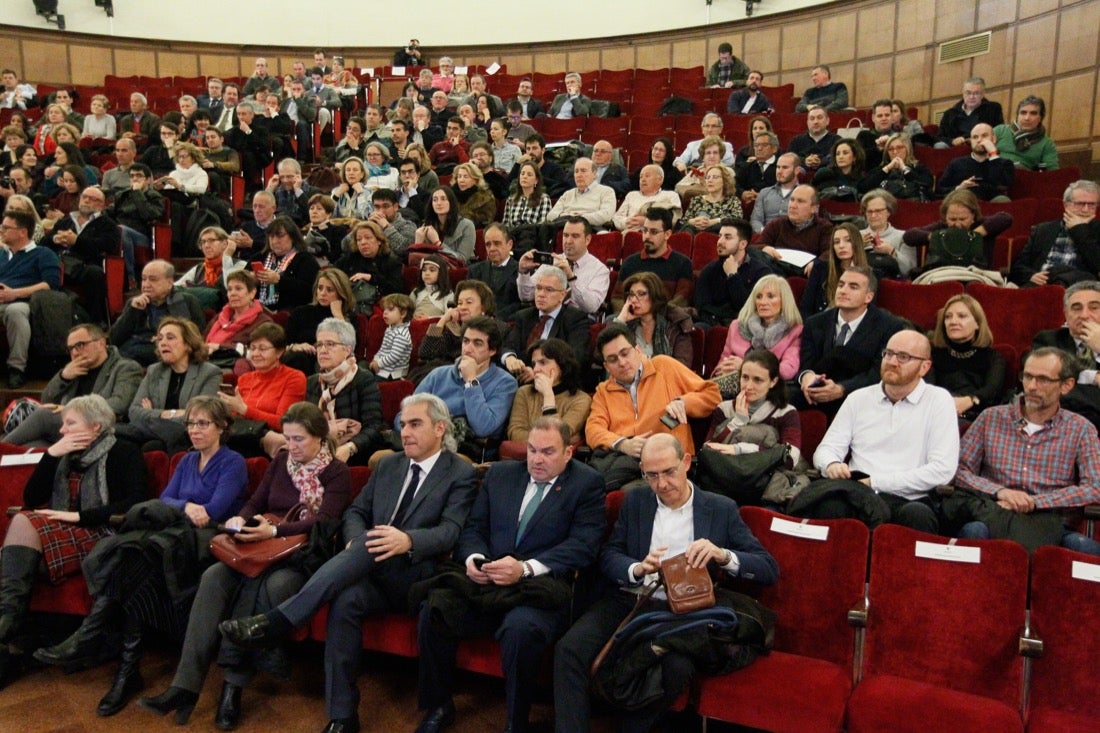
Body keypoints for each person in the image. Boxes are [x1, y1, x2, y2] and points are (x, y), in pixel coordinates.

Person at [220, 394, 478, 733]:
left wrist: (409, 540)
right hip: (371, 569)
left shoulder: (459, 472)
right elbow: (355, 513)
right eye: (403, 424)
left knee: (372, 545)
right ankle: (342, 716)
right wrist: (356, 540)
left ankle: (278, 621)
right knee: (346, 600)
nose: (405, 431)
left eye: (416, 424)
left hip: (419, 575)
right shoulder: (388, 464)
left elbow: (450, 531)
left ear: (440, 429)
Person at [139, 402, 349, 730]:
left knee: (268, 585)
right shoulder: (280, 461)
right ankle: (184, 685)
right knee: (213, 576)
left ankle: (231, 687)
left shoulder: (336, 471)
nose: (291, 447)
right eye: (288, 438)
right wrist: (241, 518)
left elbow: (326, 522)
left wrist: (276, 530)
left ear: (321, 438)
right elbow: (257, 501)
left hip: (302, 556)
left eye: (299, 440)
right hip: (262, 547)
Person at [32, 395, 246, 715]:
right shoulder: (187, 460)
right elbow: (165, 499)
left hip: (206, 540)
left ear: (223, 427)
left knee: (132, 556)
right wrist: (186, 505)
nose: (195, 430)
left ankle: (95, 642)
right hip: (172, 536)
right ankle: (123, 671)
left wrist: (180, 505)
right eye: (191, 423)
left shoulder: (233, 462)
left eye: (203, 424)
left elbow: (213, 510)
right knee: (135, 563)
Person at [553, 432, 777, 733]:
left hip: (683, 611)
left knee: (677, 667)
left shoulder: (719, 508)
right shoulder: (636, 501)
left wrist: (722, 555)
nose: (661, 484)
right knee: (570, 649)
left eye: (668, 472)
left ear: (686, 462)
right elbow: (610, 554)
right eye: (652, 476)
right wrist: (636, 568)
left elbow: (767, 568)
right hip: (630, 598)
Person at [415, 416, 605, 733]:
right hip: (488, 582)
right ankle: (438, 705)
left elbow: (584, 546)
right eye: (531, 450)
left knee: (520, 629)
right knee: (434, 610)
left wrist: (525, 568)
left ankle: (515, 722)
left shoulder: (586, 483)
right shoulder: (501, 475)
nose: (537, 459)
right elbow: (474, 529)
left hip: (540, 588)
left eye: (547, 452)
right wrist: (474, 560)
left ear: (569, 453)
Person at [0, 394, 146, 681]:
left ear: (95, 427)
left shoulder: (124, 451)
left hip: (102, 531)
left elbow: (135, 502)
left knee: (20, 528)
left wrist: (79, 518)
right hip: (61, 530)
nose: (62, 430)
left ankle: (7, 631)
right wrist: (51, 455)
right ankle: (9, 633)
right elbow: (32, 499)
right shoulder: (63, 454)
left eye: (70, 423)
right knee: (21, 530)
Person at [801, 329, 959, 532]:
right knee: (829, 507)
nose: (893, 362)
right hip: (857, 493)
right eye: (889, 353)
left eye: (904, 357)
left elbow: (942, 470)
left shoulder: (939, 400)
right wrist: (831, 464)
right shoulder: (859, 398)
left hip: (909, 498)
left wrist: (876, 481)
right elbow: (826, 449)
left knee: (918, 516)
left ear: (924, 367)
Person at [951, 347, 1100, 555]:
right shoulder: (991, 417)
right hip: (995, 513)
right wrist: (1000, 492)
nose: (1031, 386)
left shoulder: (1081, 428)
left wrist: (1034, 502)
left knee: (1085, 550)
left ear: (1066, 386)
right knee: (973, 531)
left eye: (1043, 380)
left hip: (1049, 523)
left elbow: (1094, 487)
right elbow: (959, 470)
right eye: (1028, 376)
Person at [586, 323, 721, 489]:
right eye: (613, 359)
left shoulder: (664, 366)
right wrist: (623, 444)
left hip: (667, 463)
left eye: (625, 353)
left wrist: (685, 403)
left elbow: (712, 395)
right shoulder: (603, 391)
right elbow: (593, 430)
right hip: (627, 464)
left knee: (630, 494)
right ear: (606, 366)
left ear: (638, 351)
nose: (621, 362)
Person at [263, 318, 384, 465]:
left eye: (330, 344)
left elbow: (374, 426)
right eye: (319, 345)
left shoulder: (363, 379)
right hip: (316, 450)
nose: (323, 350)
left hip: (352, 453)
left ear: (347, 349)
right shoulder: (313, 382)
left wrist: (350, 447)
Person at [3, 323, 142, 447]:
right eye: (71, 349)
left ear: (101, 343)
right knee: (32, 445)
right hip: (68, 431)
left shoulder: (126, 368)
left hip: (101, 429)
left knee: (43, 416)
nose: (75, 353)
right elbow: (46, 400)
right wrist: (63, 377)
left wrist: (72, 410)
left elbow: (119, 404)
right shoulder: (73, 370)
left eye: (80, 345)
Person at [795, 267, 903, 415]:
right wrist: (807, 377)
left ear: (868, 297)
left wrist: (841, 389)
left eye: (853, 287)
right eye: (841, 285)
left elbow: (878, 374)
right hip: (817, 396)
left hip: (862, 399)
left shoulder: (889, 326)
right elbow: (805, 365)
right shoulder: (815, 323)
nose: (843, 291)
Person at [408, 316, 518, 458]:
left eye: (477, 343)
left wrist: (471, 381)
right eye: (466, 341)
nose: (468, 349)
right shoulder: (438, 374)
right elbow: (404, 415)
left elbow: (483, 427)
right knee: (380, 458)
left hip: (466, 450)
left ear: (492, 350)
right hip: (425, 442)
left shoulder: (505, 383)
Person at [114, 316, 222, 454]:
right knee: (118, 439)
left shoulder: (209, 373)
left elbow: (201, 417)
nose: (163, 343)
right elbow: (134, 412)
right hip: (160, 433)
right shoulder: (154, 371)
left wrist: (151, 413)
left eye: (170, 338)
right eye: (160, 339)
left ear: (188, 345)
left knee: (158, 443)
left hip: (186, 436)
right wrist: (169, 413)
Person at [218, 323, 307, 454]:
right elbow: (235, 418)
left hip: (269, 442)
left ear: (279, 352)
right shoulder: (245, 379)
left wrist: (245, 410)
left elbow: (284, 423)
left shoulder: (294, 378)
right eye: (252, 348)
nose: (255, 354)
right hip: (240, 437)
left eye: (262, 349)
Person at [706, 349, 804, 464]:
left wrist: (740, 449)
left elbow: (790, 457)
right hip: (729, 472)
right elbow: (708, 450)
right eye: (745, 377)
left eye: (757, 380)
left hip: (765, 475)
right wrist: (737, 421)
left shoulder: (786, 413)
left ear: (773, 382)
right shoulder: (724, 409)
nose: (748, 386)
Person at [0, 207, 60, 388]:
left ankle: (16, 368)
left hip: (26, 303)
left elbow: (50, 284)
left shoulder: (43, 254)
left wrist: (14, 293)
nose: (1, 231)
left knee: (16, 311)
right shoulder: (1, 255)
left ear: (22, 232)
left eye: (5, 228)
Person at [501, 264, 592, 380]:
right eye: (538, 288)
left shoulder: (575, 319)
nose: (541, 294)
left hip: (556, 384)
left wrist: (539, 373)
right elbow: (508, 345)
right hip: (520, 380)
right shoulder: (523, 316)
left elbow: (576, 358)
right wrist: (510, 358)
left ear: (563, 295)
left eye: (549, 290)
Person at [109, 259, 205, 366]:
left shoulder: (188, 301)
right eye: (144, 279)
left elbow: (196, 337)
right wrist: (132, 311)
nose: (146, 284)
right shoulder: (134, 304)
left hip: (162, 352)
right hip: (131, 351)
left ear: (169, 283)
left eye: (153, 280)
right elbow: (114, 339)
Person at [45, 184, 118, 325]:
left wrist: (76, 241)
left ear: (101, 205)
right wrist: (55, 239)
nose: (86, 201)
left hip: (84, 265)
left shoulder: (107, 224)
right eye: (84, 197)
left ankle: (94, 322)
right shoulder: (66, 221)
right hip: (59, 262)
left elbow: (108, 246)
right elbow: (43, 243)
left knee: (94, 273)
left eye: (92, 199)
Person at [1032, 281, 1100, 430]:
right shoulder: (1048, 340)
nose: (1084, 315)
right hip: (1059, 420)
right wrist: (1093, 378)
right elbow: (1046, 384)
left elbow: (1061, 385)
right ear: (1065, 314)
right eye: (1076, 308)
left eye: (1094, 308)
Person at [928, 294, 1005, 422]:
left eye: (962, 316)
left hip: (979, 419)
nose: (953, 322)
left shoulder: (993, 357)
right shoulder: (933, 355)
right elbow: (928, 390)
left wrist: (970, 400)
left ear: (977, 324)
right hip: (939, 416)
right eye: (948, 317)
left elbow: (992, 390)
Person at [1010, 180, 1100, 287]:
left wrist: (1079, 230)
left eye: (1091, 205)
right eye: (1080, 204)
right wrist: (1031, 275)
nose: (1086, 210)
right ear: (1066, 205)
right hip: (1042, 285)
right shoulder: (1043, 230)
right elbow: (1018, 267)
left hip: (1080, 289)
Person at [714, 274, 803, 383]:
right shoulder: (737, 326)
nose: (762, 302)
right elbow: (721, 365)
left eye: (770, 296)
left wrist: (745, 367)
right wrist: (723, 370)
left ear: (784, 300)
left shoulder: (795, 331)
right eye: (759, 296)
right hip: (731, 383)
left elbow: (787, 370)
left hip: (768, 390)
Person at [517, 216, 611, 319]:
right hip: (545, 316)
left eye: (575, 236)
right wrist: (523, 272)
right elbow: (526, 297)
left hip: (577, 321)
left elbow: (591, 307)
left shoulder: (600, 270)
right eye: (565, 235)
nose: (568, 241)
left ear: (587, 239)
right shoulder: (552, 260)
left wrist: (571, 277)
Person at [903, 189, 1013, 272]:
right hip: (942, 276)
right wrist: (938, 237)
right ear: (946, 217)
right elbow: (909, 236)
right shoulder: (943, 227)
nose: (957, 224)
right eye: (952, 219)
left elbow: (1006, 218)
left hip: (977, 276)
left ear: (973, 216)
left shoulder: (983, 224)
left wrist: (976, 234)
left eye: (963, 219)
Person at [507, 338, 592, 444]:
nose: (536, 369)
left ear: (562, 365)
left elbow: (557, 436)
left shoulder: (581, 399)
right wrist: (565, 439)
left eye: (543, 362)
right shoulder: (524, 392)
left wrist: (548, 396)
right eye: (534, 364)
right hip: (524, 457)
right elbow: (515, 434)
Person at [695, 217, 774, 329]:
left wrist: (733, 276)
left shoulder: (761, 272)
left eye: (727, 237)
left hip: (745, 327)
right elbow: (701, 306)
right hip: (713, 324)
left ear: (742, 244)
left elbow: (748, 308)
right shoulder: (709, 270)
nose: (720, 241)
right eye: (720, 236)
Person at [412, 279, 496, 382]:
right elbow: (425, 353)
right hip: (441, 373)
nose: (462, 307)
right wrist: (442, 321)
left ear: (484, 306)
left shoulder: (495, 328)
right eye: (459, 303)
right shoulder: (454, 327)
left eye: (469, 302)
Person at [282, 268, 360, 375]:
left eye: (330, 290)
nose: (323, 293)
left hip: (331, 365)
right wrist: (296, 347)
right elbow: (282, 346)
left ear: (341, 293)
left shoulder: (348, 317)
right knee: (297, 358)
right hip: (300, 363)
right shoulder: (300, 313)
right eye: (320, 288)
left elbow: (350, 348)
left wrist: (338, 315)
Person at [614, 272, 695, 368]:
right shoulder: (626, 323)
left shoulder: (676, 322)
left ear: (654, 296)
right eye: (631, 295)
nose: (634, 300)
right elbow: (602, 355)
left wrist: (645, 362)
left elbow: (682, 366)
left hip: (664, 380)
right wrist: (620, 321)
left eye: (641, 294)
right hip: (628, 380)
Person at [617, 207, 694, 306]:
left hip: (665, 318)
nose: (647, 236)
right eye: (644, 230)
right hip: (631, 316)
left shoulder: (682, 263)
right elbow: (617, 298)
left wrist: (651, 315)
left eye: (654, 232)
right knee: (611, 319)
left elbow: (682, 299)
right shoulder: (630, 262)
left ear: (667, 234)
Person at [202, 269, 274, 366]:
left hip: (230, 364)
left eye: (238, 289)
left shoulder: (263, 322)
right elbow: (202, 340)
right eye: (230, 289)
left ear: (252, 293)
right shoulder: (220, 316)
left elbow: (257, 352)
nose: (233, 293)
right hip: (205, 360)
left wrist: (219, 347)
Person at [254, 216, 322, 312]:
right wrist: (251, 279)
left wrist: (279, 280)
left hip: (291, 311)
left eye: (280, 236)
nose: (274, 241)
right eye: (271, 236)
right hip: (258, 309)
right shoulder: (260, 257)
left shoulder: (305, 259)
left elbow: (309, 291)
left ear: (293, 237)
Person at [801, 222, 868, 318]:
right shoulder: (820, 269)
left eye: (848, 240)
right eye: (836, 242)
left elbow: (866, 313)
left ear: (857, 243)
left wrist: (854, 274)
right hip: (820, 326)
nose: (841, 246)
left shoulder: (871, 275)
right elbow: (806, 309)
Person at [758, 184, 834, 266]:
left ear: (814, 208)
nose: (793, 206)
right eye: (792, 200)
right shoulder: (776, 224)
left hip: (808, 273)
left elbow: (829, 253)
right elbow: (755, 247)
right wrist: (764, 248)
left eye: (800, 201)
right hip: (778, 270)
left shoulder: (825, 228)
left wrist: (817, 263)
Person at [935, 123, 1015, 201]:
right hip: (962, 203)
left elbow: (1002, 185)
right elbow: (940, 189)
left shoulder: (1005, 163)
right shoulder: (957, 163)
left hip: (992, 205)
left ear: (993, 139)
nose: (979, 140)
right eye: (975, 137)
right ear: (971, 141)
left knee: (1002, 199)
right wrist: (959, 188)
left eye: (984, 136)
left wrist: (993, 154)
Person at [332, 219, 404, 299]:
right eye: (359, 239)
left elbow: (396, 289)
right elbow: (332, 273)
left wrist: (370, 278)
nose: (363, 242)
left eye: (368, 238)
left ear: (379, 240)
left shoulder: (392, 261)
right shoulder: (350, 257)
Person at [467, 222, 521, 319]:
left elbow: (519, 305)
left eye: (497, 243)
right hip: (477, 322)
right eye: (488, 244)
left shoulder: (521, 271)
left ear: (510, 244)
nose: (492, 248)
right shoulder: (474, 271)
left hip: (506, 325)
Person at [857, 133, 933, 201]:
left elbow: (927, 184)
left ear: (908, 149)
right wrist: (887, 168)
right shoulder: (881, 170)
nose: (895, 152)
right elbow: (862, 187)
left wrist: (904, 169)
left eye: (899, 147)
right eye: (890, 149)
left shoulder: (918, 168)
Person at [545, 157, 616, 230]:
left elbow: (605, 216)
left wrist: (579, 218)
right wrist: (564, 215)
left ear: (594, 174)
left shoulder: (607, 191)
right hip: (564, 226)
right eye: (576, 171)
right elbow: (550, 216)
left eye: (583, 171)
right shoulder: (568, 194)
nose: (579, 175)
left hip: (591, 228)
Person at [935, 77, 1005, 148]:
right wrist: (952, 141)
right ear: (963, 93)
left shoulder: (993, 109)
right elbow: (940, 137)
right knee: (939, 145)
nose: (971, 97)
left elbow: (998, 132)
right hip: (956, 149)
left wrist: (975, 139)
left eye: (976, 93)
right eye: (968, 93)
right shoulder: (950, 113)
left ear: (983, 94)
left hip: (982, 147)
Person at [859, 189, 914, 277]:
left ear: (888, 211)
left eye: (878, 211)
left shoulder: (904, 236)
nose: (873, 215)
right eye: (869, 211)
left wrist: (891, 251)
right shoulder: (856, 235)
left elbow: (909, 270)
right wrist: (857, 247)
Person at [993, 95, 1058, 170]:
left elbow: (1051, 172)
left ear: (1040, 118)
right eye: (1023, 113)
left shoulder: (1047, 143)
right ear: (1017, 115)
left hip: (1024, 178)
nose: (1027, 118)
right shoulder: (1000, 130)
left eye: (1033, 113)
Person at [613, 164, 683, 232]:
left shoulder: (671, 195)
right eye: (641, 177)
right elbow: (617, 218)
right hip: (630, 233)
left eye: (647, 176)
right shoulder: (631, 195)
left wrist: (647, 221)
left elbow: (675, 220)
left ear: (659, 180)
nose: (643, 179)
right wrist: (627, 221)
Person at [414, 186, 476, 263]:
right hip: (432, 269)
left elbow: (462, 259)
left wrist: (437, 243)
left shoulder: (467, 225)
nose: (439, 203)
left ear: (451, 202)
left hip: (457, 271)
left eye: (443, 199)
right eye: (435, 200)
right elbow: (416, 261)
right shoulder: (427, 225)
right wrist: (418, 243)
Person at [679, 163, 742, 234]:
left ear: (725, 181)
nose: (710, 180)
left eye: (714, 177)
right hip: (695, 234)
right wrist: (693, 221)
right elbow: (683, 222)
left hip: (719, 236)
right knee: (688, 229)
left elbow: (737, 220)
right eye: (707, 177)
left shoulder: (733, 201)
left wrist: (713, 222)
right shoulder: (697, 200)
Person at [750, 152, 801, 234]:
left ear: (797, 170)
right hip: (766, 238)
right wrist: (765, 233)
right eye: (778, 167)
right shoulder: (764, 193)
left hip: (793, 238)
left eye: (785, 167)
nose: (779, 171)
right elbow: (755, 220)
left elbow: (808, 222)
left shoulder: (805, 194)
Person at [371, 293, 415, 380]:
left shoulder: (401, 334)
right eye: (385, 309)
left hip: (393, 374)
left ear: (403, 314)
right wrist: (375, 359)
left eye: (390, 309)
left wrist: (378, 363)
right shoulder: (390, 328)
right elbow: (383, 349)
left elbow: (394, 356)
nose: (385, 312)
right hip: (384, 368)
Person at [502, 161, 553, 233]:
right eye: (522, 174)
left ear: (536, 180)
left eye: (529, 175)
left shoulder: (544, 199)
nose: (524, 177)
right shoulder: (511, 200)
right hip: (513, 237)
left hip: (532, 237)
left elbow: (543, 226)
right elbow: (506, 225)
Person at [451, 162, 496, 228]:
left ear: (476, 180)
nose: (461, 180)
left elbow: (485, 222)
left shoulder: (485, 198)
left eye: (466, 177)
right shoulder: (450, 196)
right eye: (459, 176)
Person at [411, 254, 454, 319]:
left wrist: (429, 318)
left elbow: (450, 316)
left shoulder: (447, 293)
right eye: (424, 270)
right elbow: (407, 311)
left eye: (432, 270)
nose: (427, 273)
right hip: (414, 325)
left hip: (435, 326)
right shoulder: (416, 291)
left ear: (441, 273)